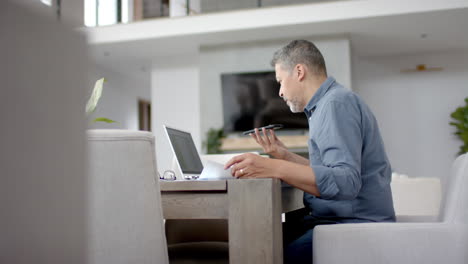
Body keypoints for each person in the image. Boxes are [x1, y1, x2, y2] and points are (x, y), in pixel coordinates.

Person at [224, 40, 395, 264]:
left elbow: (345, 183)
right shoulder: (326, 105)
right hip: (338, 218)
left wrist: (273, 167)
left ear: (299, 71)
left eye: (280, 81)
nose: (280, 92)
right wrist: (284, 156)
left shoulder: (335, 104)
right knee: (257, 240)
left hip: (355, 223)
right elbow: (330, 172)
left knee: (261, 251)